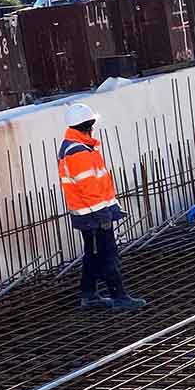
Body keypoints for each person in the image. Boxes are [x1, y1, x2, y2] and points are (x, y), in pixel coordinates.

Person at [57, 102, 147, 310]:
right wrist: (102, 215)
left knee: (93, 254)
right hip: (93, 215)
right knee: (108, 254)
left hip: (90, 214)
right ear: (86, 124)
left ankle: (89, 296)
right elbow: (88, 187)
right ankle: (119, 297)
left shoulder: (78, 147)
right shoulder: (78, 151)